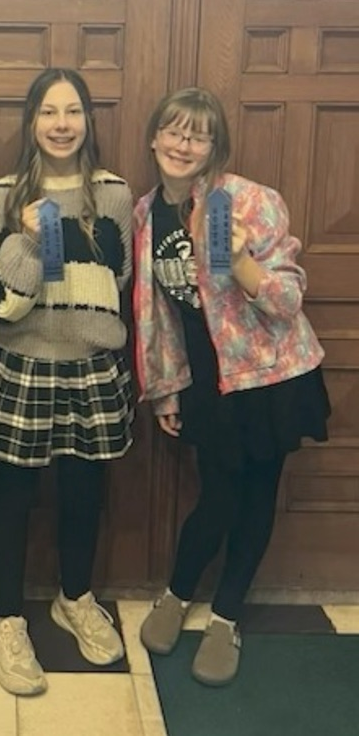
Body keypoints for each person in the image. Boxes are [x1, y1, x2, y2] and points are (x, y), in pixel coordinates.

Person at [134, 86, 330, 686]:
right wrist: (166, 388)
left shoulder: (245, 201)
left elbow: (289, 299)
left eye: (198, 134)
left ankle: (225, 615)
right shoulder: (147, 213)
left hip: (270, 377)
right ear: (155, 138)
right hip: (206, 379)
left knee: (254, 497)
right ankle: (178, 591)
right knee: (216, 496)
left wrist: (243, 262)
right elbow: (158, 311)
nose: (184, 143)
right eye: (174, 130)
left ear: (214, 145)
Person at [0, 68, 134, 696]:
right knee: (13, 496)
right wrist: (32, 244)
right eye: (48, 112)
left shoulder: (114, 193)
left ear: (87, 121)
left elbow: (112, 284)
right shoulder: (1, 196)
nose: (61, 124)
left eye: (73, 112)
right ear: (31, 121)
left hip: (92, 366)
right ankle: (6, 618)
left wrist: (63, 258)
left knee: (83, 493)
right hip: (21, 363)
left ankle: (75, 597)